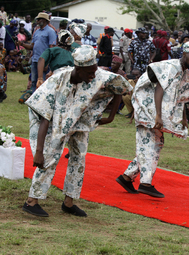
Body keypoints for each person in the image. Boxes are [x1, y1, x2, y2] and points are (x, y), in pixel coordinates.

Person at [22, 45, 133, 217]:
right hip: (53, 120)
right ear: (78, 69)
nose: (93, 75)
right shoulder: (57, 81)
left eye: (94, 71)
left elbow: (119, 87)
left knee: (79, 158)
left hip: (80, 119)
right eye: (89, 72)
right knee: (49, 156)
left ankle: (69, 202)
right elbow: (44, 117)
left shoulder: (99, 75)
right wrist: (38, 152)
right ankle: (31, 201)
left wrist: (111, 116)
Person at [116, 41, 189, 198]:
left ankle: (126, 177)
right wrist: (157, 115)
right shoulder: (171, 67)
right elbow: (159, 88)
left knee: (155, 144)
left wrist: (183, 118)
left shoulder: (184, 73)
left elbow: (182, 97)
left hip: (154, 111)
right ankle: (145, 183)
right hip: (147, 108)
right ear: (184, 54)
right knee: (148, 145)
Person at [17, 12, 57, 93]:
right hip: (35, 60)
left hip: (44, 61)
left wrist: (48, 62)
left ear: (44, 20)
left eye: (39, 19)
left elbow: (52, 48)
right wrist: (22, 44)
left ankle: (42, 101)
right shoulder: (37, 31)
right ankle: (33, 100)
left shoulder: (51, 31)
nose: (37, 21)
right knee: (34, 81)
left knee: (43, 82)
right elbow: (32, 46)